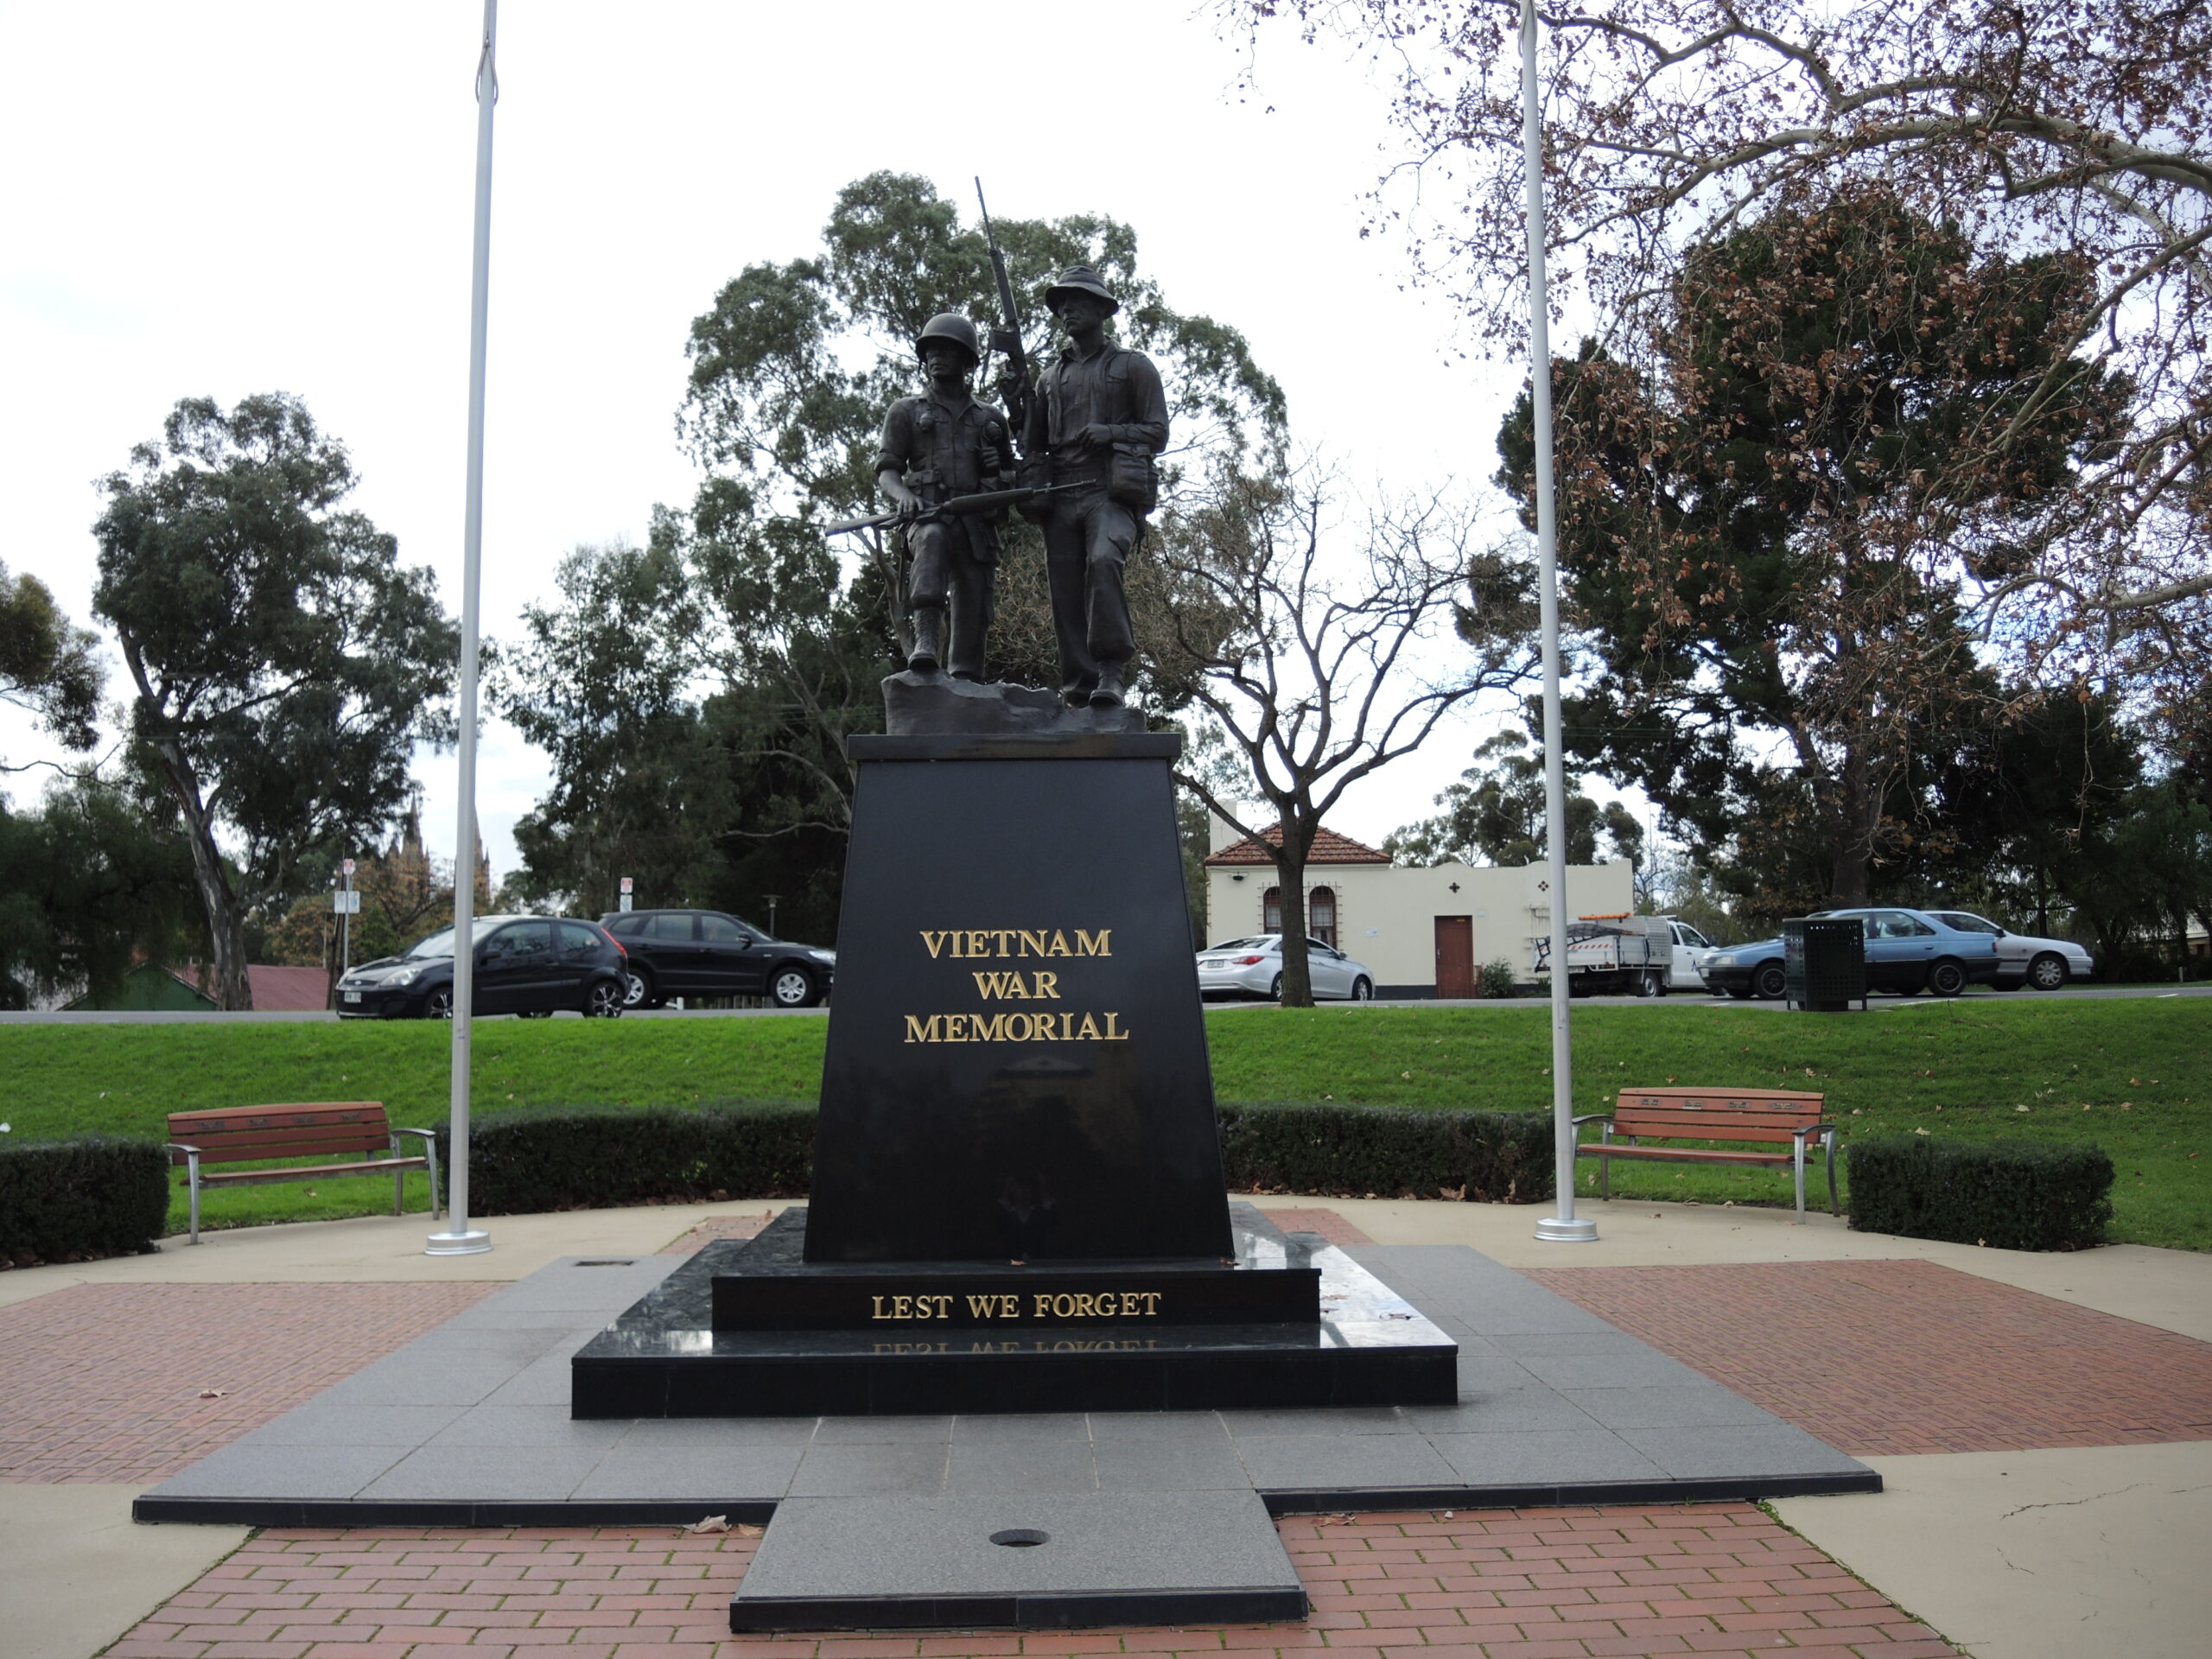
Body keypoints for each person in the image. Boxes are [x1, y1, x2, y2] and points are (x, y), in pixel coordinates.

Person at [1001, 266, 1169, 708]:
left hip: (1108, 493)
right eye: (1060, 305)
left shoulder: (1133, 366)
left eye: (1075, 302)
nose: (1066, 311)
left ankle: (1111, 672)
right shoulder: (1048, 377)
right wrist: (1016, 404)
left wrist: (1111, 432)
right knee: (1065, 592)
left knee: (1103, 560)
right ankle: (1079, 686)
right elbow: (1031, 443)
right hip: (1060, 496)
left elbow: (1157, 432)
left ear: (1100, 308)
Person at [874, 313, 1019, 679]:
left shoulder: (990, 418)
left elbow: (1008, 477)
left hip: (976, 523)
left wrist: (995, 469)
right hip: (929, 516)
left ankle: (966, 682)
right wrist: (902, 495)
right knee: (933, 540)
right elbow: (887, 470)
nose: (937, 356)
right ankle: (925, 641)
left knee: (974, 602)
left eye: (947, 350)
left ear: (967, 360)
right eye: (932, 350)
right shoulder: (905, 411)